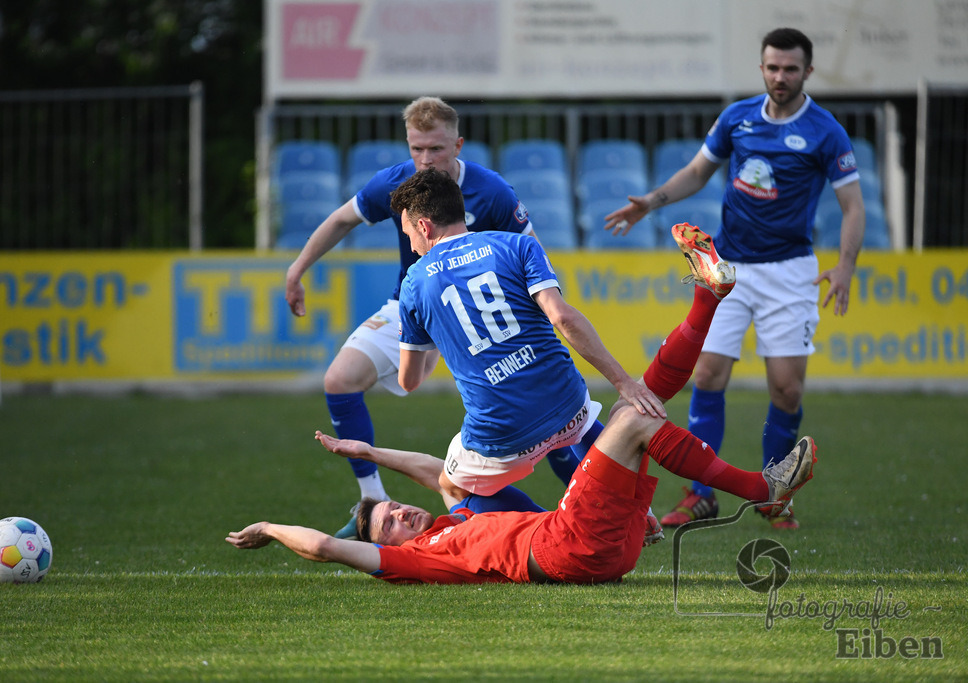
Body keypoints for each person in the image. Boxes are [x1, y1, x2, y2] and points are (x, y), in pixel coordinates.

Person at [226, 253, 819, 583]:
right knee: (634, 419)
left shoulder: (450, 517)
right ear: (385, 549)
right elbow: (330, 550)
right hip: (567, 547)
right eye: (390, 523)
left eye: (393, 509)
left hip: (598, 551)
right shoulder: (414, 560)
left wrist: (373, 454)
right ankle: (761, 490)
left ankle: (707, 299)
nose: (402, 515)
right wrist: (273, 529)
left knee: (632, 405)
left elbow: (437, 473)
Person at [604, 27, 865, 530]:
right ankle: (701, 494)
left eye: (790, 69)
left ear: (807, 72)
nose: (780, 77)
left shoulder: (826, 131)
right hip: (728, 269)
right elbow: (698, 171)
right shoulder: (738, 118)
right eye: (772, 67)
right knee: (707, 376)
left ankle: (774, 492)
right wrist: (650, 202)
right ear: (762, 67)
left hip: (789, 272)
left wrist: (847, 265)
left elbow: (852, 206)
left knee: (786, 390)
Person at [284, 97, 573, 536]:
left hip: (485, 317)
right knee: (338, 381)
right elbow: (343, 219)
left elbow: (532, 260)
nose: (425, 160)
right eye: (416, 149)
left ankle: (587, 500)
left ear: (457, 145)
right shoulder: (400, 184)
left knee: (541, 409)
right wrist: (297, 268)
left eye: (435, 149)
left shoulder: (492, 192)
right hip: (416, 307)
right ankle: (372, 497)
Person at [389, 168, 666, 508]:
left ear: (424, 227)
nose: (413, 249)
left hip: (500, 433)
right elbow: (563, 317)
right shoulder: (518, 244)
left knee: (451, 487)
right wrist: (624, 383)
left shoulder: (414, 282)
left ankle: (543, 529)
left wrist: (438, 340)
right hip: (568, 405)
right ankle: (638, 507)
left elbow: (410, 380)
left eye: (409, 236)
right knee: (578, 421)